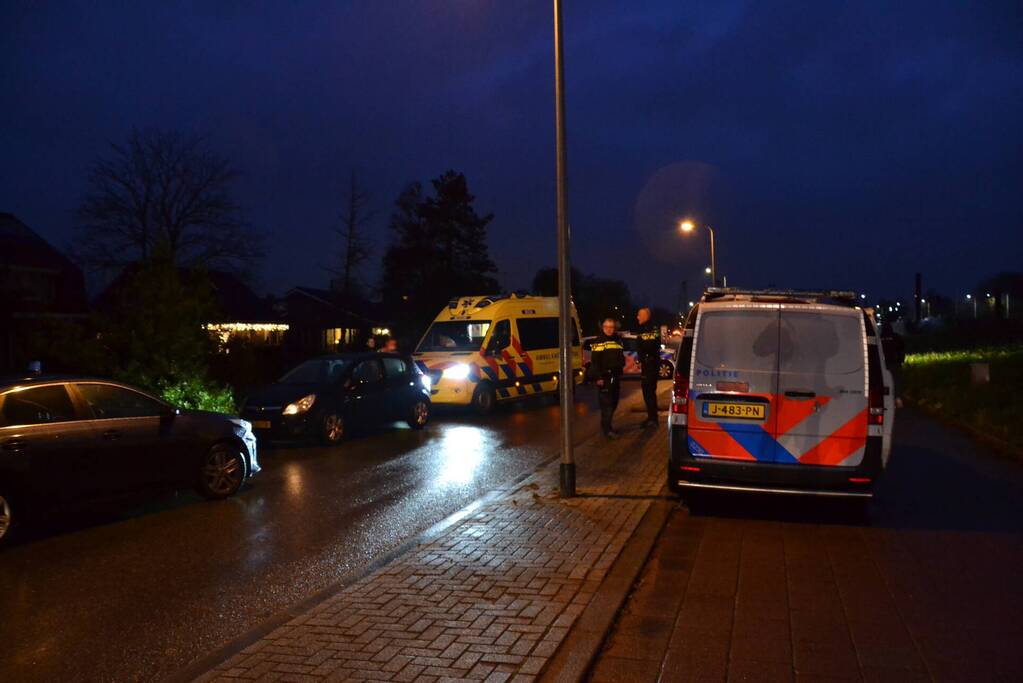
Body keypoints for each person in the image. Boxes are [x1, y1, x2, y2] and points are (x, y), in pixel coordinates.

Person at [587, 317, 626, 438]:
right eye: (607, 327)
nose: (609, 329)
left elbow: (620, 356)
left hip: (615, 376)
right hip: (604, 377)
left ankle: (607, 426)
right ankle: (607, 430)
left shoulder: (617, 340)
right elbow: (595, 362)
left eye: (611, 327)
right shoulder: (599, 341)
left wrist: (621, 365)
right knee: (607, 405)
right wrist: (598, 377)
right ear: (603, 328)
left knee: (614, 403)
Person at [635, 307, 661, 428]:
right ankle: (651, 417)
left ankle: (653, 419)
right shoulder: (643, 329)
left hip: (650, 365)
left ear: (645, 316)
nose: (637, 317)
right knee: (647, 392)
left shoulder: (651, 328)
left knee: (649, 392)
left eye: (639, 315)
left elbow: (650, 345)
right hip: (648, 365)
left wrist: (644, 357)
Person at [880, 322, 905, 408]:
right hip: (895, 363)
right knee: (897, 381)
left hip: (883, 365)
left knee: (884, 382)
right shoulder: (897, 337)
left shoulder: (879, 338)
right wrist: (901, 360)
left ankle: (886, 400)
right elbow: (902, 350)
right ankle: (898, 399)